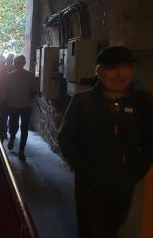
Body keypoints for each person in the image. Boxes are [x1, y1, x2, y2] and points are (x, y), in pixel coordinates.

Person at [58, 46, 153, 238]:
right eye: (112, 68)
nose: (120, 74)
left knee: (112, 229)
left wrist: (135, 173)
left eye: (125, 67)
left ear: (132, 71)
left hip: (123, 184)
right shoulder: (83, 101)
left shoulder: (142, 102)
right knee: (91, 231)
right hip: (90, 185)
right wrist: (84, 171)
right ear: (99, 72)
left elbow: (150, 140)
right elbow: (66, 138)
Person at [5, 55, 36, 161]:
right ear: (24, 63)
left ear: (14, 63)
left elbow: (7, 91)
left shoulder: (9, 76)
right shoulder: (30, 75)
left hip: (13, 104)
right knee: (24, 128)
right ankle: (21, 150)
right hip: (26, 105)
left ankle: (12, 138)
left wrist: (7, 102)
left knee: (13, 123)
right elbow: (33, 90)